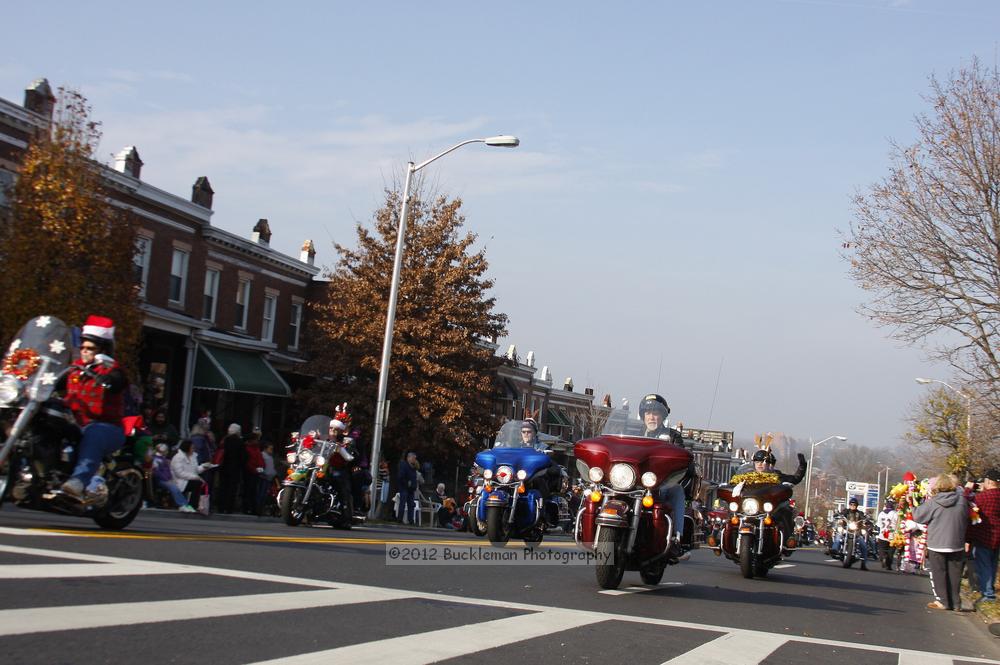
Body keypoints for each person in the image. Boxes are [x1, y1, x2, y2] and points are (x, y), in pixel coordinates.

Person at [59, 315, 127, 499]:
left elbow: (118, 382)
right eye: (82, 347)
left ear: (102, 350)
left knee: (93, 433)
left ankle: (78, 481)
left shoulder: (112, 369)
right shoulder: (73, 369)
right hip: (75, 423)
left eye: (90, 348)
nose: (84, 351)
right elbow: (54, 384)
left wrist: (108, 380)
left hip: (107, 427)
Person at [638, 394, 688, 561]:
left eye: (656, 413)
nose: (652, 417)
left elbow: (683, 460)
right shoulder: (633, 435)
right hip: (634, 484)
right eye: (648, 413)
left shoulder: (673, 437)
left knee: (677, 490)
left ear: (663, 416)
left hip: (661, 484)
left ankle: (676, 539)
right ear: (643, 415)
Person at [912, 474, 969, 611]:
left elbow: (918, 516)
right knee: (955, 575)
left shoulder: (934, 502)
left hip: (937, 542)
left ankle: (943, 601)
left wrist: (914, 505)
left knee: (939, 573)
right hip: (957, 542)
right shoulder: (962, 501)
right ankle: (956, 602)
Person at [966, 468, 1000, 606]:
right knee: (993, 564)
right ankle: (989, 589)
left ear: (988, 481)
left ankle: (988, 593)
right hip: (998, 537)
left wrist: (968, 488)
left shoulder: (981, 498)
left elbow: (972, 514)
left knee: (984, 565)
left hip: (983, 535)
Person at [151, 443, 196, 512]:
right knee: (173, 487)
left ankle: (184, 504)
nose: (167, 452)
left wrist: (172, 478)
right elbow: (157, 472)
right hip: (160, 480)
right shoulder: (156, 460)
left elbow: (169, 471)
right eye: (166, 450)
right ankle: (183, 504)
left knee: (179, 485)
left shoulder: (164, 459)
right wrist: (167, 479)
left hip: (167, 479)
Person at [170, 439, 207, 509]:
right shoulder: (178, 457)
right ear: (187, 448)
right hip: (179, 480)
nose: (194, 449)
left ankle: (197, 505)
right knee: (197, 483)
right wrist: (195, 477)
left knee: (200, 483)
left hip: (187, 479)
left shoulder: (193, 456)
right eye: (192, 447)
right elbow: (179, 473)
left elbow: (196, 470)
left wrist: (204, 467)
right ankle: (193, 505)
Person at [218, 423, 246, 513]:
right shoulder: (239, 442)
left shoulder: (224, 440)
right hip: (235, 467)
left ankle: (221, 506)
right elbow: (243, 457)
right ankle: (229, 507)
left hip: (223, 466)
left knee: (223, 487)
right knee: (232, 488)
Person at [841, 497, 870, 570]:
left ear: (857, 505)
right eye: (851, 504)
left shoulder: (859, 513)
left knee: (863, 545)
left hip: (856, 532)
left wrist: (865, 520)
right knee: (838, 537)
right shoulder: (846, 511)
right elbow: (841, 514)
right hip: (846, 530)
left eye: (854, 505)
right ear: (849, 505)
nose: (852, 506)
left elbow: (863, 518)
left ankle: (863, 564)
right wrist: (838, 516)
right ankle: (833, 550)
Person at [243, 432, 265, 515]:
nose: (257, 441)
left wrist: (262, 466)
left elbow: (260, 459)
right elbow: (248, 462)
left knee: (254, 491)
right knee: (249, 491)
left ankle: (254, 508)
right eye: (255, 440)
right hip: (250, 472)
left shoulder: (256, 448)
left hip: (256, 471)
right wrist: (254, 469)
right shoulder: (248, 449)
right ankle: (248, 508)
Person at [877, 500, 899, 570]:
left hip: (883, 534)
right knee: (891, 551)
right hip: (892, 534)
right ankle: (888, 565)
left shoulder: (881, 514)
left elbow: (879, 525)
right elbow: (898, 523)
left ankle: (883, 557)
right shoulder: (895, 513)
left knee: (881, 549)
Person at [397, 451, 418, 524]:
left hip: (411, 489)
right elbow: (401, 477)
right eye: (413, 458)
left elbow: (414, 477)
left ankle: (411, 520)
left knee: (411, 505)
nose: (414, 460)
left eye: (415, 458)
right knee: (402, 503)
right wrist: (407, 483)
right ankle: (400, 519)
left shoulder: (414, 467)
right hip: (404, 488)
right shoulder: (404, 466)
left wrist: (413, 486)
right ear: (408, 458)